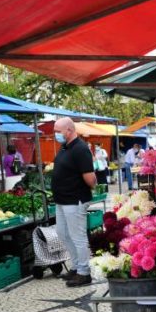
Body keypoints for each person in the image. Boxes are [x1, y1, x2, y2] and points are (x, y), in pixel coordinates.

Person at [51, 118, 96, 287]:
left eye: (58, 131)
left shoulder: (81, 149)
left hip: (74, 200)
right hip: (62, 200)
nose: (55, 134)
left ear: (69, 130)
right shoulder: (65, 147)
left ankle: (84, 272)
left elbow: (90, 179)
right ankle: (76, 266)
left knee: (78, 237)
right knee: (63, 233)